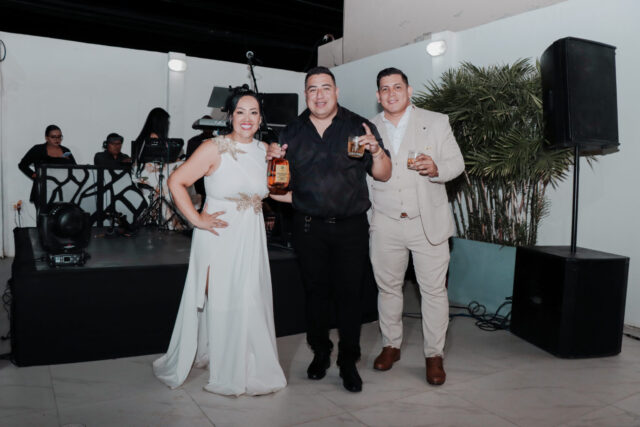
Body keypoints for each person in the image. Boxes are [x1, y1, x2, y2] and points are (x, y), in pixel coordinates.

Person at [153, 87, 287, 396]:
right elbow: (176, 181)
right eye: (240, 112)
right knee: (222, 297)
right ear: (230, 116)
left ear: (261, 118)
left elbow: (273, 191)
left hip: (251, 232)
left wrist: (314, 197)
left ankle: (247, 361)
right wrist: (197, 219)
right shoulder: (212, 147)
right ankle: (227, 366)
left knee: (249, 295)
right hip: (219, 233)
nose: (247, 118)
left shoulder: (264, 150)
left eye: (254, 112)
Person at [267, 66, 392, 393]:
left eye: (325, 88)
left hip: (351, 227)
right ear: (305, 95)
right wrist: (272, 163)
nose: (319, 95)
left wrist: (377, 151)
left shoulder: (358, 126)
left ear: (336, 92)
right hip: (308, 227)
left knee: (350, 296)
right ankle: (320, 353)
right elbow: (277, 187)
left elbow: (383, 174)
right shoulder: (291, 132)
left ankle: (349, 361)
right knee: (315, 295)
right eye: (312, 89)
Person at [367, 67, 464, 385]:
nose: (391, 93)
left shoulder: (436, 122)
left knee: (434, 291)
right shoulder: (368, 128)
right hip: (385, 222)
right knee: (388, 288)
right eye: (385, 88)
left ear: (409, 91)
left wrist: (436, 168)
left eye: (397, 87)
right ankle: (391, 346)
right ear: (378, 95)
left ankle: (434, 355)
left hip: (427, 222)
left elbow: (456, 164)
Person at [18, 124, 76, 205]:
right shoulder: (37, 149)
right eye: (53, 137)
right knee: (44, 213)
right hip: (43, 190)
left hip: (63, 190)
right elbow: (22, 165)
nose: (57, 139)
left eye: (59, 136)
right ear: (46, 138)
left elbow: (75, 168)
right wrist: (35, 175)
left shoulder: (66, 151)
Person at [186, 115, 215, 208]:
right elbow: (189, 162)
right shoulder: (193, 141)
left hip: (214, 176)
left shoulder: (219, 141)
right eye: (206, 126)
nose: (209, 129)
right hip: (199, 177)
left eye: (210, 127)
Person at [132, 107, 170, 173]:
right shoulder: (153, 137)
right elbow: (160, 159)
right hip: (151, 173)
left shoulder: (145, 136)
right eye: (166, 121)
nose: (168, 123)